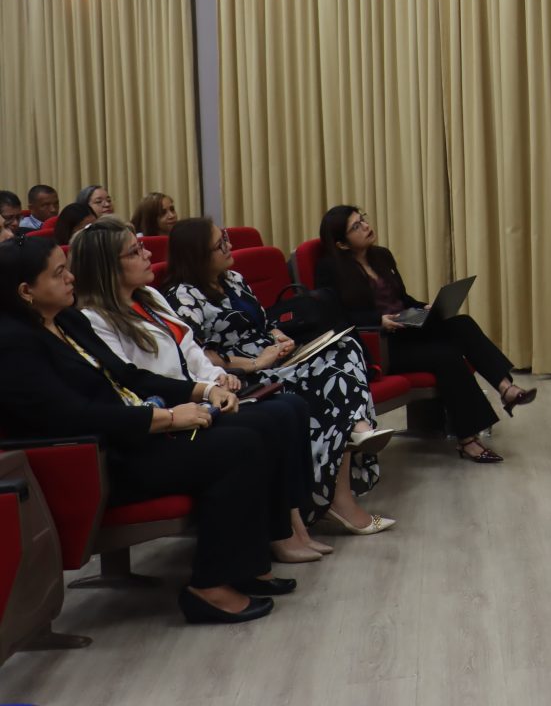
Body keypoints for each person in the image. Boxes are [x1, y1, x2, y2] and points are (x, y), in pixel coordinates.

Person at [0, 235, 293, 624]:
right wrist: (168, 419)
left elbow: (127, 376)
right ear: (26, 291)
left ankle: (246, 567)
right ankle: (209, 588)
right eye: (59, 273)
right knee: (238, 447)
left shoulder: (67, 319)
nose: (71, 277)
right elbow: (73, 417)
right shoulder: (14, 344)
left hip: (132, 435)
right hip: (97, 461)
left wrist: (203, 390)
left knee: (255, 427)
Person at [68, 217, 333, 560]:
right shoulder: (95, 319)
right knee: (274, 419)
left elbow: (190, 349)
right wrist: (205, 391)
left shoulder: (149, 297)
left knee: (291, 407)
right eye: (135, 251)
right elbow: (136, 380)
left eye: (142, 246)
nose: (148, 254)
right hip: (171, 412)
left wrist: (217, 380)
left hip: (202, 395)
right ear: (108, 266)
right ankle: (278, 535)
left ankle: (296, 526)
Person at [165, 218, 396, 535]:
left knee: (344, 346)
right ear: (197, 255)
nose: (229, 247)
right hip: (240, 374)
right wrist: (254, 362)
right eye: (220, 244)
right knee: (328, 383)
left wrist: (278, 337)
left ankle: (355, 434)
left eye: (226, 238)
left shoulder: (233, 278)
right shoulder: (182, 297)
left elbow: (263, 322)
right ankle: (344, 474)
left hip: (274, 358)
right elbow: (197, 355)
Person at [314, 205, 536, 464]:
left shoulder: (381, 256)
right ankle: (468, 440)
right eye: (356, 226)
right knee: (446, 355)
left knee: (462, 324)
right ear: (341, 244)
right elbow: (334, 316)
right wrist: (378, 321)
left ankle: (506, 388)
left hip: (406, 330)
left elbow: (402, 299)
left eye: (362, 219)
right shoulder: (329, 269)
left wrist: (423, 309)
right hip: (381, 345)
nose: (365, 226)